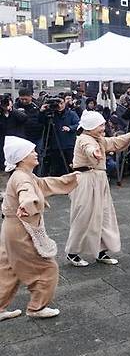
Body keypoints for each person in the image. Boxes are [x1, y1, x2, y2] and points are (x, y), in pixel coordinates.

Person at [0, 136, 79, 321]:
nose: (36, 153)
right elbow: (26, 192)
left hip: (11, 228)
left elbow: (44, 184)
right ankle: (36, 307)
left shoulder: (26, 175)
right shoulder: (21, 177)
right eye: (31, 152)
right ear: (21, 157)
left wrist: (71, 179)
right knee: (46, 268)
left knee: (8, 269)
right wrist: (26, 203)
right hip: (20, 230)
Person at [65, 111, 130, 267]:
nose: (103, 127)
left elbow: (113, 142)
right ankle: (72, 252)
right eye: (100, 125)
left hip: (99, 180)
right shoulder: (84, 138)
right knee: (83, 216)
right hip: (86, 181)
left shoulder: (98, 139)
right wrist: (93, 153)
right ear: (91, 126)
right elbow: (88, 147)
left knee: (104, 215)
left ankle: (100, 251)